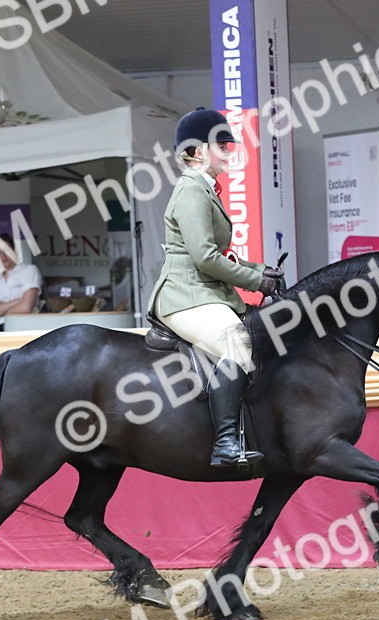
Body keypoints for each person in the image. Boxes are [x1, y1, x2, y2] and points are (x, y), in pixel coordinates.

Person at [146, 107, 283, 467]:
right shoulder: (191, 190)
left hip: (205, 292)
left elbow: (222, 255)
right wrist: (257, 281)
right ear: (196, 151)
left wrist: (261, 269)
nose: (228, 150)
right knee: (237, 341)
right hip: (183, 296)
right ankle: (224, 444)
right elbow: (206, 258)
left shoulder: (207, 190)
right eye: (221, 144)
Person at [0, 235, 42, 329]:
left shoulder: (29, 270)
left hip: (24, 327)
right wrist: (17, 301)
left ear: (14, 250)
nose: (3, 256)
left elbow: (26, 308)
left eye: (6, 250)